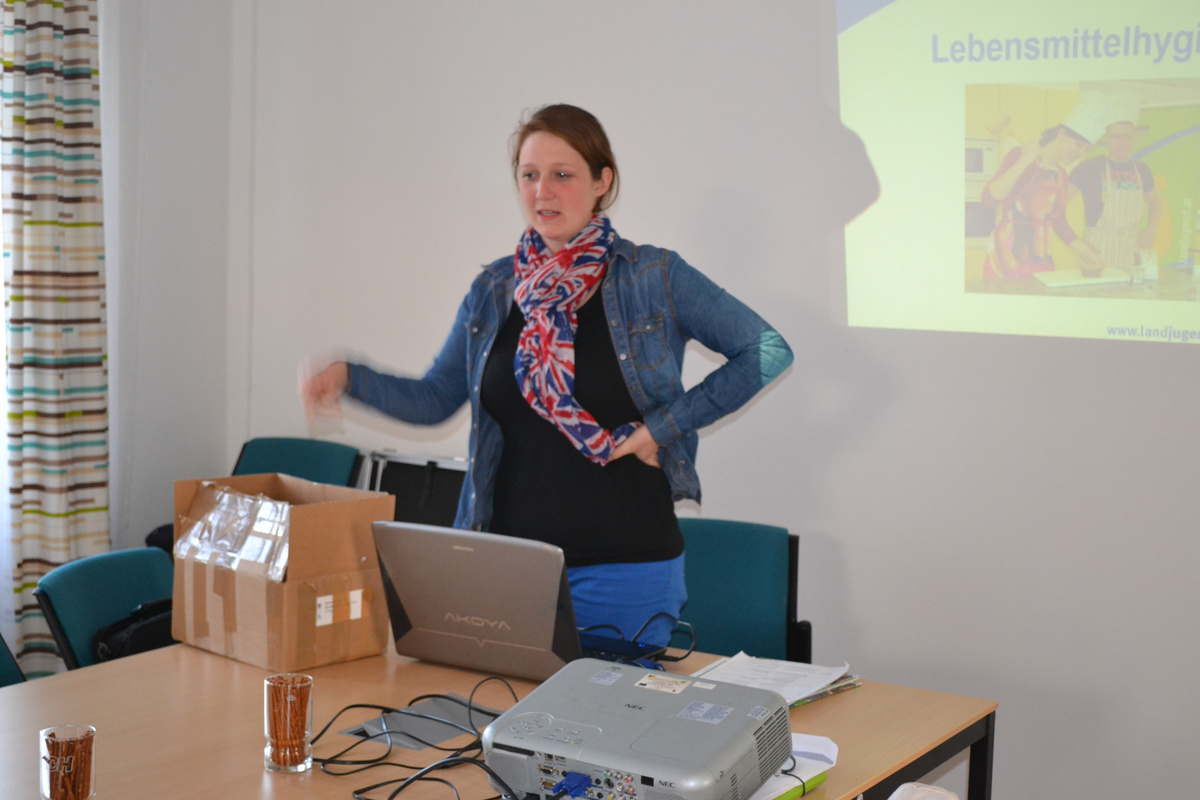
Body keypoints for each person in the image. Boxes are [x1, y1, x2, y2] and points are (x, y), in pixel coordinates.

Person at [300, 104, 792, 646]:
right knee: (498, 706)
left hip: (625, 571)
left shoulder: (652, 278)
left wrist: (660, 428)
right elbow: (436, 399)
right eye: (529, 175)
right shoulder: (494, 289)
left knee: (613, 705)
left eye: (562, 174)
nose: (543, 192)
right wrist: (349, 378)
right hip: (510, 568)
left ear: (602, 182)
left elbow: (766, 350)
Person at [981, 123, 1104, 279]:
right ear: (1061, 134)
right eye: (1079, 145)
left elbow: (1058, 222)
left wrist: (1087, 253)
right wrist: (1025, 159)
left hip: (1041, 261)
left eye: (1086, 150)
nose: (1081, 153)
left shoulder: (1061, 175)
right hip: (1006, 258)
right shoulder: (1019, 155)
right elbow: (989, 199)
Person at [1068, 92, 1162, 274]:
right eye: (1116, 136)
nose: (1122, 142)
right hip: (1096, 248)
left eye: (1127, 137)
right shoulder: (1090, 167)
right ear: (1106, 137)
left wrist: (1152, 228)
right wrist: (1076, 242)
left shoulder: (1142, 169)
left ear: (1135, 137)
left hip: (1130, 248)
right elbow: (1057, 203)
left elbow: (1156, 201)